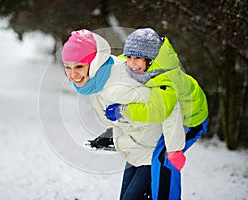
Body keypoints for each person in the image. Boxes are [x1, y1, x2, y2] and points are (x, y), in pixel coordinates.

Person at [62, 29, 185, 200]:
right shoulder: (98, 80)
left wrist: (174, 150)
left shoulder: (119, 85)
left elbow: (170, 108)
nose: (73, 74)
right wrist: (112, 133)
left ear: (95, 62)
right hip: (135, 152)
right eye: (68, 67)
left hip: (153, 153)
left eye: (79, 66)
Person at [104, 28, 209, 200]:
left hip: (191, 119)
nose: (131, 63)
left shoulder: (166, 78)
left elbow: (156, 112)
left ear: (150, 59)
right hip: (168, 115)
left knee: (163, 158)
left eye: (137, 58)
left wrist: (122, 111)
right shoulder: (134, 64)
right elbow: (114, 64)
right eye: (129, 57)